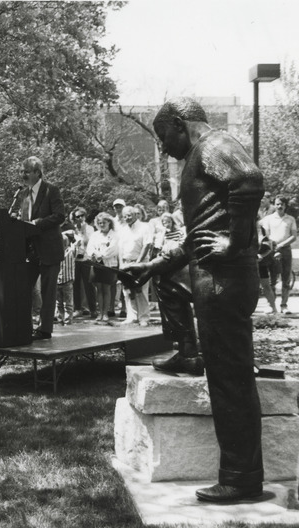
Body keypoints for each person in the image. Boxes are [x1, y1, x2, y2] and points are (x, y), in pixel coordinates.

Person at [126, 97, 265, 503]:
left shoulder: (214, 146)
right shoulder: (198, 156)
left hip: (224, 280)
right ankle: (187, 351)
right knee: (168, 280)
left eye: (162, 136)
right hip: (210, 274)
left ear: (179, 123)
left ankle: (241, 479)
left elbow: (250, 180)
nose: (163, 146)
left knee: (230, 381)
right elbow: (197, 235)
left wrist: (235, 241)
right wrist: (153, 267)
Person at [10, 156, 65, 340]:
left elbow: (59, 216)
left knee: (48, 293)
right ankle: (24, 327)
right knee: (23, 289)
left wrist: (36, 223)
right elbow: (24, 220)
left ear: (37, 172)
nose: (23, 175)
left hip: (50, 249)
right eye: (21, 171)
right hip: (31, 251)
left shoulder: (51, 190)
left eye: (26, 171)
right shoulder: (23, 194)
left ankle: (45, 329)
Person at [260, 194, 297, 314]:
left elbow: (293, 236)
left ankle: (284, 305)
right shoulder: (268, 219)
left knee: (286, 278)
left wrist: (281, 245)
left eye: (282, 204)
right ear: (274, 205)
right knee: (272, 279)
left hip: (286, 250)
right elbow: (266, 236)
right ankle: (272, 305)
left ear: (286, 206)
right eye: (277, 204)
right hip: (271, 251)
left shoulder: (290, 219)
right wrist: (274, 247)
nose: (279, 206)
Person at [117, 206, 152, 326]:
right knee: (127, 291)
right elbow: (120, 248)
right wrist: (121, 263)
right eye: (125, 215)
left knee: (140, 290)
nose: (127, 218)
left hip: (140, 262)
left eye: (129, 215)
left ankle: (144, 317)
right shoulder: (122, 229)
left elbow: (147, 245)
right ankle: (131, 316)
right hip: (126, 262)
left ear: (135, 215)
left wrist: (138, 262)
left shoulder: (145, 227)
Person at [85, 212, 118, 323]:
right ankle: (100, 313)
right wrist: (94, 254)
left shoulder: (114, 235)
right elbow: (90, 248)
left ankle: (106, 313)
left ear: (109, 222)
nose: (101, 224)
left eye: (104, 222)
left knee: (107, 289)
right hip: (97, 264)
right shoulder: (95, 235)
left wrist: (101, 255)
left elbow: (113, 249)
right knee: (99, 289)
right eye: (99, 223)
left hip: (108, 264)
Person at [71, 207, 96, 317]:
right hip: (75, 260)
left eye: (82, 215)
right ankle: (78, 308)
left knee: (89, 285)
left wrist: (83, 229)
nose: (80, 218)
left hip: (86, 259)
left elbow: (87, 242)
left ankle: (93, 309)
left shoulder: (90, 228)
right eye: (77, 216)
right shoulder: (72, 229)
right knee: (75, 286)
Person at [56, 233, 76, 325]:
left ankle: (68, 321)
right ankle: (60, 319)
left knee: (68, 303)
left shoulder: (71, 251)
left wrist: (66, 235)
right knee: (58, 302)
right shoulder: (55, 252)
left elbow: (77, 241)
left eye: (64, 243)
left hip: (67, 281)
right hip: (57, 280)